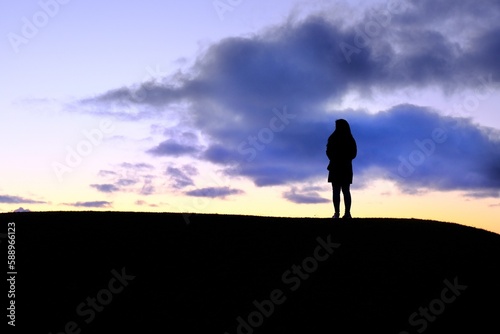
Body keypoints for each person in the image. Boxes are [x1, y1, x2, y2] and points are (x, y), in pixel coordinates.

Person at [326, 119, 357, 219]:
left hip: (337, 167)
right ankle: (345, 213)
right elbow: (353, 153)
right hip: (345, 167)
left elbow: (328, 151)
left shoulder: (333, 138)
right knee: (345, 191)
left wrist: (335, 158)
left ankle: (338, 213)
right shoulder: (350, 139)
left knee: (338, 191)